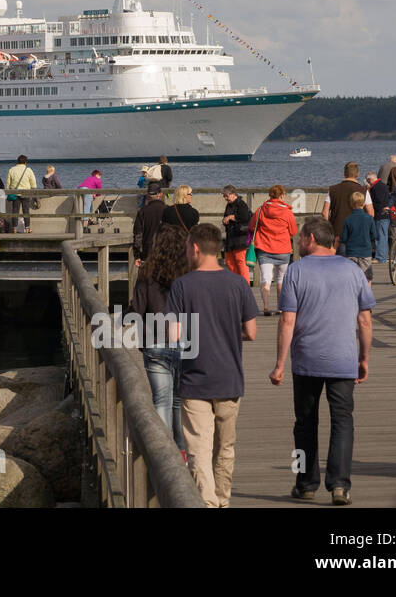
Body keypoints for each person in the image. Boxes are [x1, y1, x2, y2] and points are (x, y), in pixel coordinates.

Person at [269, 217, 374, 506]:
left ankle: (305, 483)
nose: (298, 243)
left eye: (300, 238)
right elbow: (365, 320)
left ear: (312, 239)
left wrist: (279, 363)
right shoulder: (353, 270)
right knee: (343, 421)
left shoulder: (296, 271)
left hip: (306, 360)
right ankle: (340, 485)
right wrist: (364, 358)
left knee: (304, 423)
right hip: (343, 359)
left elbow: (287, 321)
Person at [168, 222, 259, 508]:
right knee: (225, 448)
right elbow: (252, 332)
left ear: (195, 249)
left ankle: (206, 503)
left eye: (186, 249)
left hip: (195, 379)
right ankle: (222, 500)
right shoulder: (237, 283)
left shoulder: (182, 285)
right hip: (230, 378)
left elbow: (174, 335)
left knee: (198, 449)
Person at [129, 224, 188, 455]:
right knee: (179, 401)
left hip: (154, 340)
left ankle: (163, 455)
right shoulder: (188, 273)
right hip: (185, 341)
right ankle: (182, 452)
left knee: (161, 399)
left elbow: (137, 310)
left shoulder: (146, 273)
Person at [248, 184, 298, 315]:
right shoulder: (287, 212)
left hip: (264, 249)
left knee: (266, 278)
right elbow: (293, 231)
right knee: (281, 278)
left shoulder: (260, 210)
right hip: (283, 249)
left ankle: (265, 306)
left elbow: (252, 226)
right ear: (282, 196)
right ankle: (280, 307)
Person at [338, 190, 375, 284]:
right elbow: (374, 235)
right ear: (363, 204)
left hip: (351, 253)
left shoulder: (348, 219)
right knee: (367, 278)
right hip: (365, 252)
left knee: (352, 278)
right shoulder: (369, 218)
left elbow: (344, 238)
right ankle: (367, 297)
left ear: (351, 204)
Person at [321, 162, 363, 241]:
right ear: (357, 174)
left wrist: (329, 229)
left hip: (337, 232)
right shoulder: (363, 190)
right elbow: (371, 212)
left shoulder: (332, 189)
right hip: (357, 233)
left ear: (344, 174)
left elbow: (324, 213)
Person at [220, 185, 252, 283]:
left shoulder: (241, 204)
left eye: (226, 196)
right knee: (230, 263)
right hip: (231, 239)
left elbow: (245, 218)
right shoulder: (229, 205)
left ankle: (244, 285)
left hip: (240, 239)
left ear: (233, 194)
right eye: (224, 196)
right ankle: (237, 284)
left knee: (241, 263)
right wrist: (225, 219)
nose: (225, 198)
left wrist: (231, 217)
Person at [131, 182, 167, 267]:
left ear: (147, 196)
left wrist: (137, 255)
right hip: (165, 251)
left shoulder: (142, 211)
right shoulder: (167, 210)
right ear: (160, 195)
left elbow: (138, 235)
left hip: (147, 251)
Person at [364, 172, 392, 264]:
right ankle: (382, 256)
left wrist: (370, 205)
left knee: (380, 237)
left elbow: (379, 202)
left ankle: (381, 257)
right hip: (385, 215)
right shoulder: (383, 186)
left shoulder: (376, 188)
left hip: (380, 215)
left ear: (369, 180)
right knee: (382, 236)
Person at [5, 155, 37, 233]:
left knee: (15, 211)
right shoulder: (28, 170)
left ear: (17, 161)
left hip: (15, 193)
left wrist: (9, 190)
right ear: (25, 162)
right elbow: (33, 184)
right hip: (26, 193)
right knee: (26, 211)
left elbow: (8, 184)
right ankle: (27, 228)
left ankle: (14, 229)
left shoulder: (12, 170)